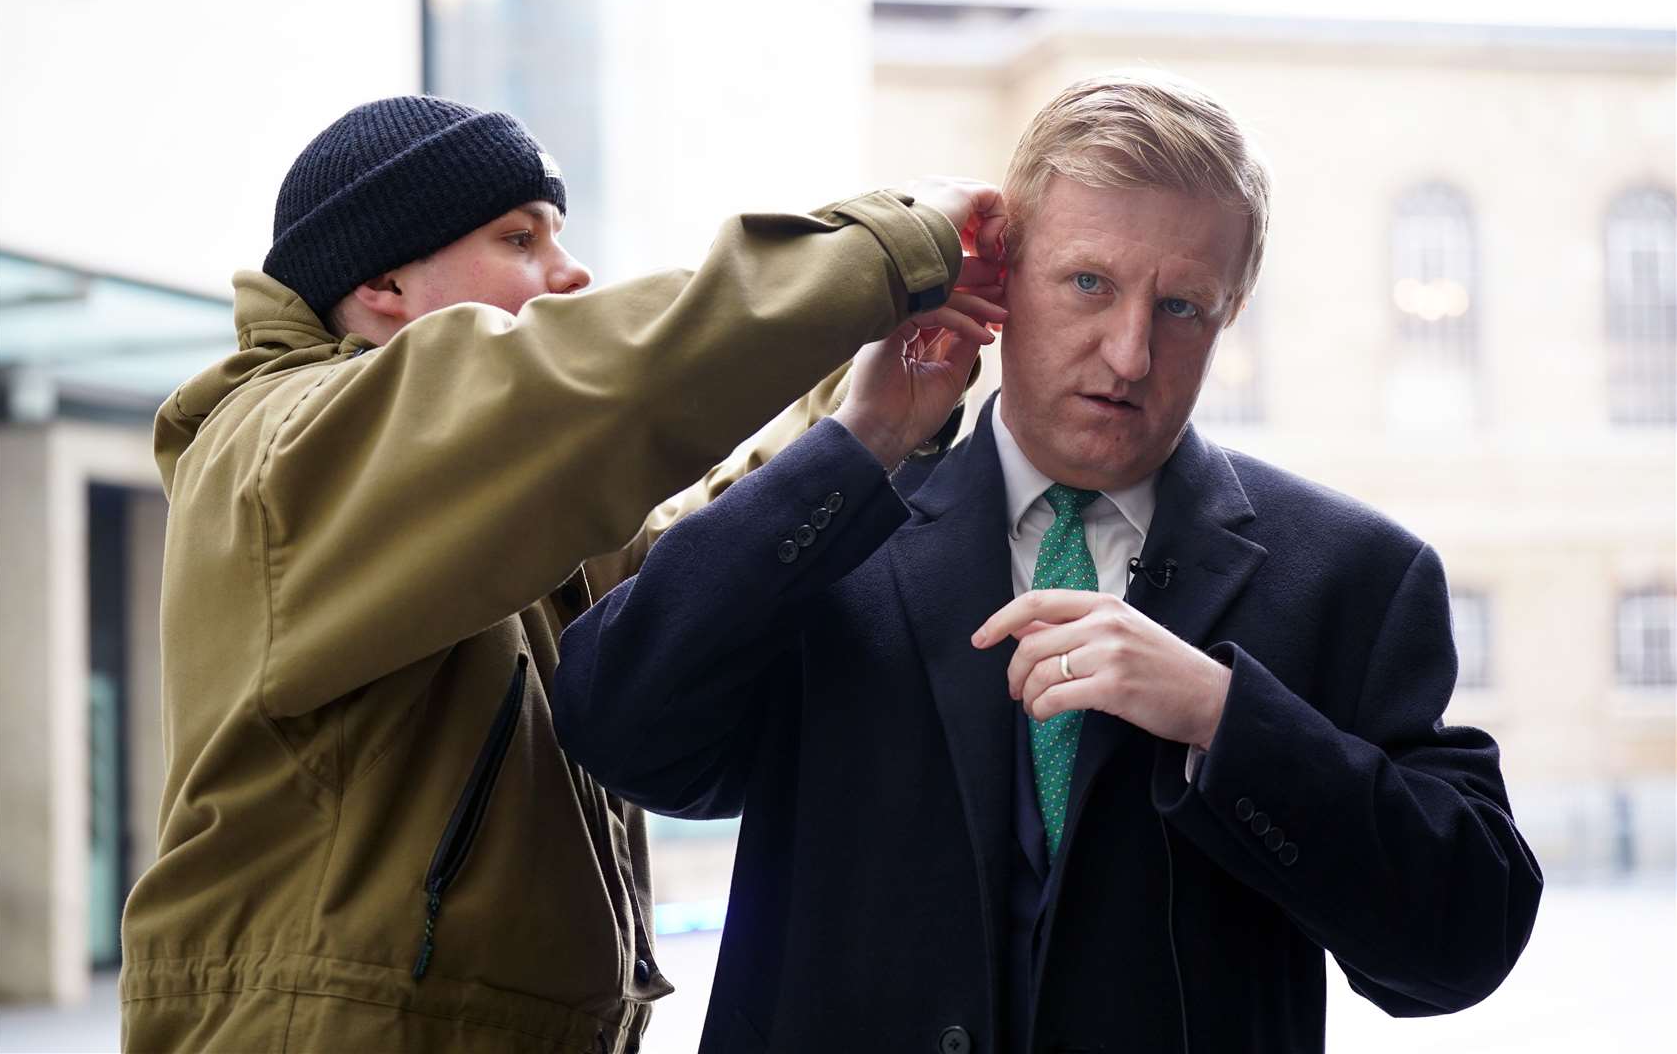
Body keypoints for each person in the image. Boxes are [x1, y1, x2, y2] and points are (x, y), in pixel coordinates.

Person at [549, 71, 1543, 1053]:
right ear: (999, 278)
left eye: (1182, 308)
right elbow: (619, 728)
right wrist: (857, 444)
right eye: (1088, 284)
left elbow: (1462, 945)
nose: (1128, 354)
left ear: (1231, 312)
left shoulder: (1351, 575)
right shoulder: (840, 521)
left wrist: (1223, 717)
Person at [117, 94, 1007, 1053]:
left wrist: (864, 426)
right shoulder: (283, 449)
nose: (570, 271)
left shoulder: (480, 502)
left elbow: (687, 580)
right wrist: (881, 249)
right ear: (381, 280)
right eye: (518, 237)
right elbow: (590, 384)